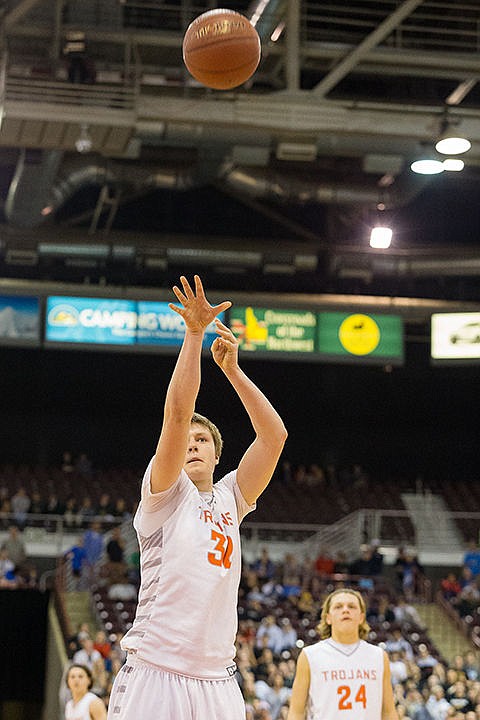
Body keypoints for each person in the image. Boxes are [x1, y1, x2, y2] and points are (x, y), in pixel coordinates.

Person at [106, 275, 287, 720]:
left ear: (217, 453)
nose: (191, 443)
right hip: (156, 669)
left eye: (202, 440)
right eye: (186, 439)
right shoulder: (166, 492)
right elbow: (177, 413)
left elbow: (274, 436)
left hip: (217, 678)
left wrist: (234, 372)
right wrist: (194, 334)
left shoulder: (231, 497)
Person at [287, 588, 399, 720]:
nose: (345, 610)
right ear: (328, 618)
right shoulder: (310, 655)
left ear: (361, 617)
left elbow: (388, 712)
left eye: (351, 606)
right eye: (338, 607)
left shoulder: (378, 655)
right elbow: (297, 712)